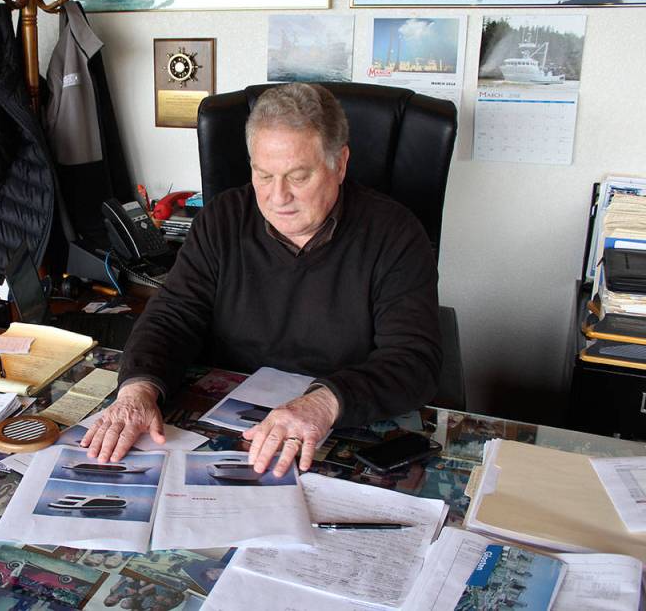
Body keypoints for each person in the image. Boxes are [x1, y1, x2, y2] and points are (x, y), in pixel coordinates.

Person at [81, 83, 442, 477]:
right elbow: (172, 317)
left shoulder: (396, 234)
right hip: (229, 432)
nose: (277, 197)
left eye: (298, 177)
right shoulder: (223, 219)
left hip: (339, 428)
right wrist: (138, 392)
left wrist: (323, 403)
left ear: (339, 164)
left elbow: (413, 360)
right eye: (263, 175)